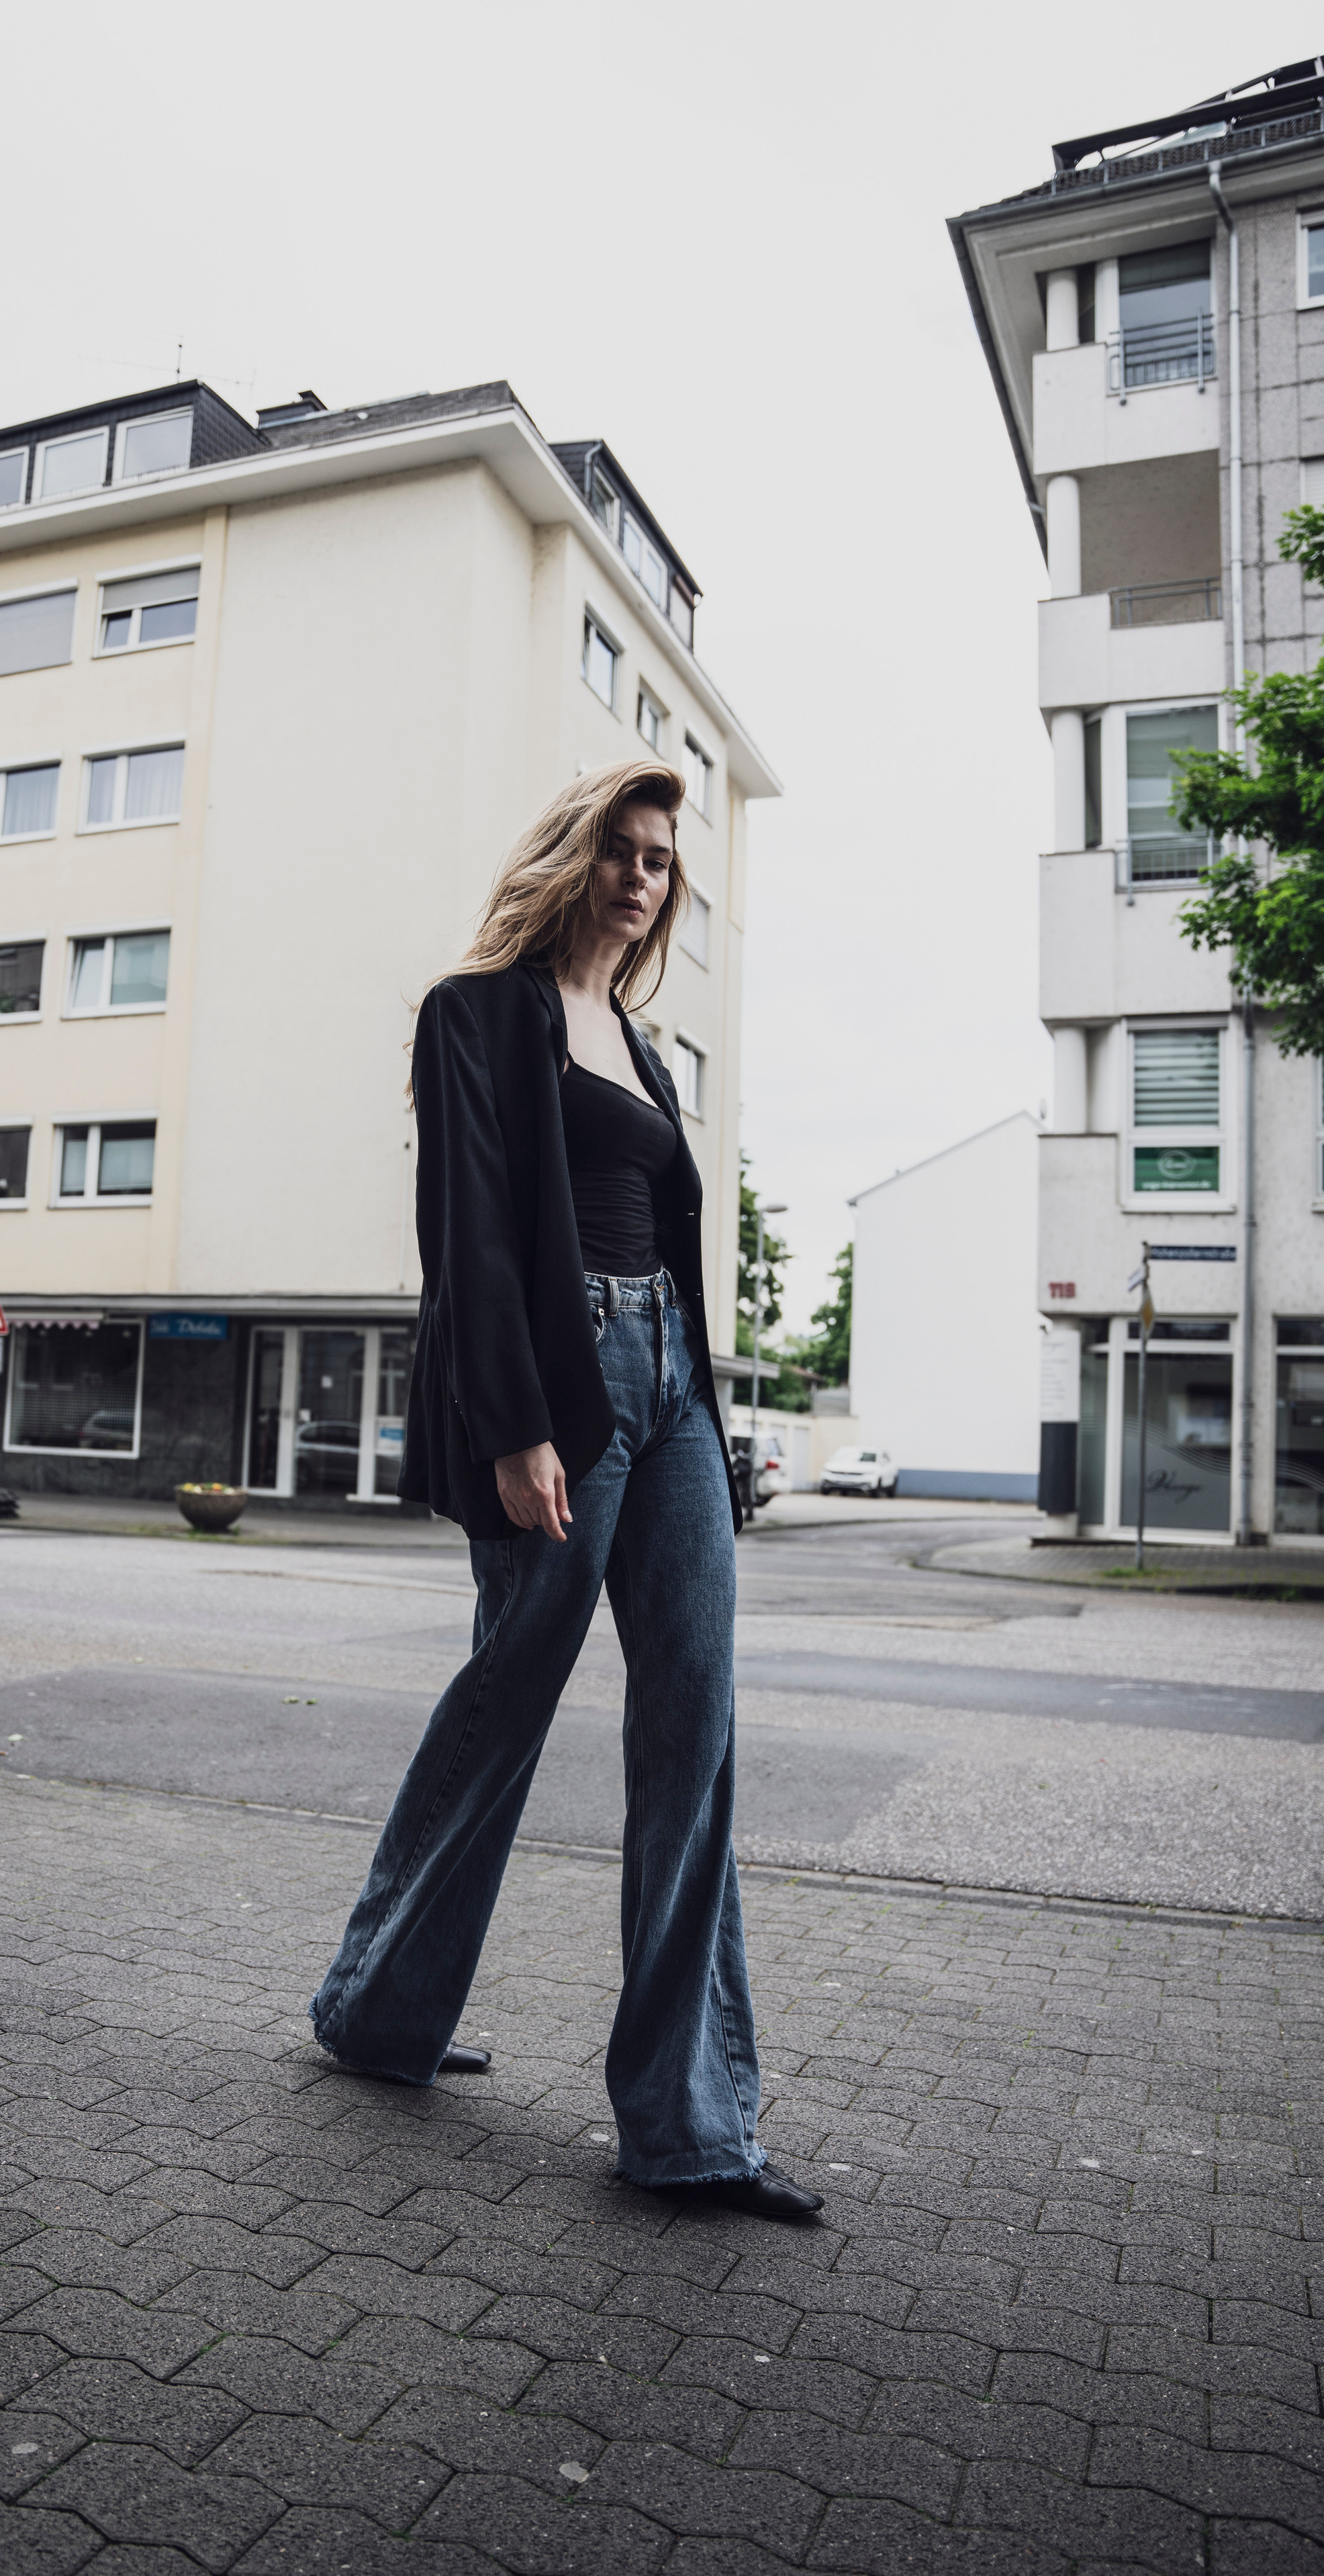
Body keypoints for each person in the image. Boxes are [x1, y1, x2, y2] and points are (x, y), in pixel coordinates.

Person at [309, 756, 821, 2224]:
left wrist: (701, 1401)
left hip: (672, 1391)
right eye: (620, 848)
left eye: (661, 858)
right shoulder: (476, 1013)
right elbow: (469, 1232)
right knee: (508, 1693)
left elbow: (666, 1238)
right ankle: (380, 2006)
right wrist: (514, 1423)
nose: (640, 875)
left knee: (695, 1722)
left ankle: (688, 2124)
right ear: (570, 858)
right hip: (559, 1378)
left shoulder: (645, 1046)